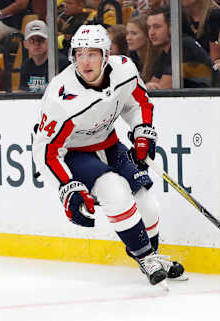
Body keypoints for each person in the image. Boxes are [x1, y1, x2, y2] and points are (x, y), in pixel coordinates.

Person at [31, 24, 185, 286]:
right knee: (114, 190)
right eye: (79, 54)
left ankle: (153, 255)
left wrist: (141, 133)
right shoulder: (61, 96)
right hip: (75, 154)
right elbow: (45, 151)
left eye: (92, 54)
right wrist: (67, 186)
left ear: (105, 55)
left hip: (109, 144)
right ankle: (146, 258)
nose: (85, 61)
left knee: (147, 204)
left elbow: (138, 102)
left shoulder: (124, 69)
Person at [146, 6, 220, 89]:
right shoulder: (165, 52)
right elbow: (152, 87)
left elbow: (162, 90)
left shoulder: (183, 46)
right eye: (149, 27)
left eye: (157, 27)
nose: (151, 32)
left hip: (216, 99)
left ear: (172, 27)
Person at [20, 19, 70, 92]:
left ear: (49, 42)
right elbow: (22, 95)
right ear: (25, 44)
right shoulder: (26, 66)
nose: (37, 44)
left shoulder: (61, 63)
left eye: (41, 39)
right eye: (32, 40)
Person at [126, 14, 158, 82]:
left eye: (134, 33)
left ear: (147, 35)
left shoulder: (158, 59)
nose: (128, 38)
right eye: (127, 33)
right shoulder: (132, 57)